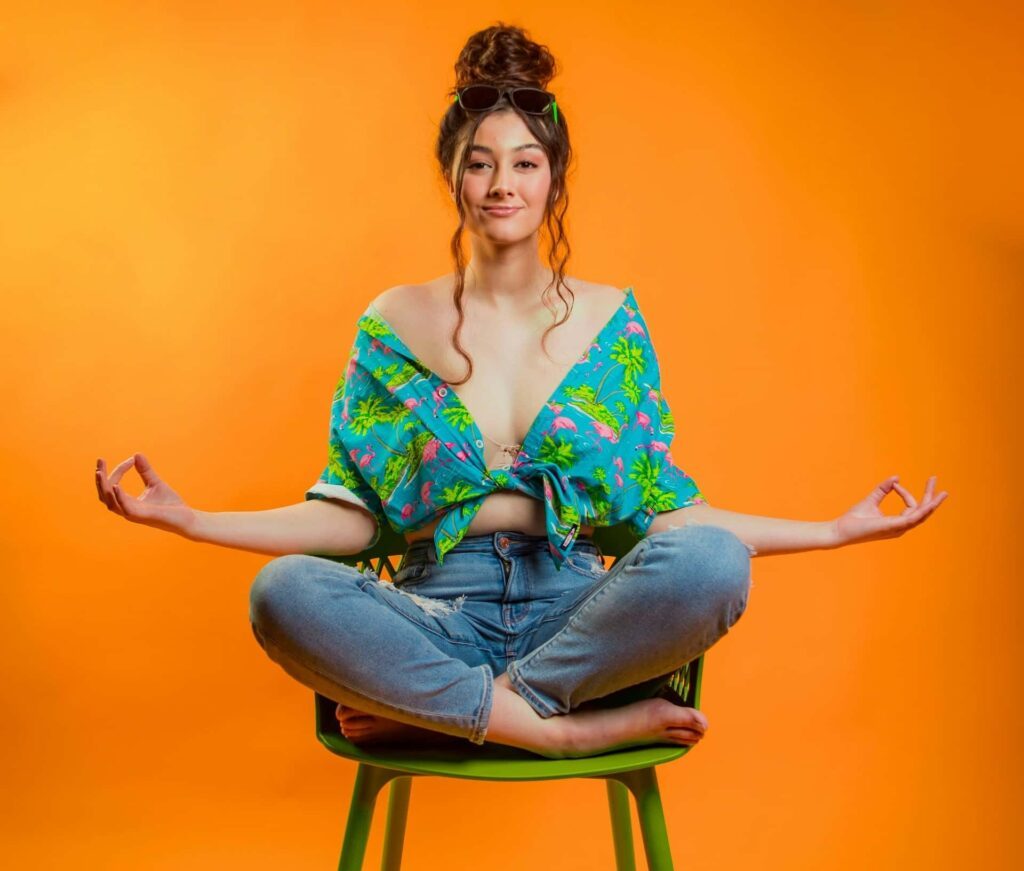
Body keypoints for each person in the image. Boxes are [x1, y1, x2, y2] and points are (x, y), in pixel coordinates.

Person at [94, 23, 948, 760]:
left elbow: (662, 515)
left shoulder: (614, 324)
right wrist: (190, 518)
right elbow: (352, 514)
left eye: (525, 162)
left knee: (713, 564)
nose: (503, 183)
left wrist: (836, 531)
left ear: (553, 179)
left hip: (582, 613)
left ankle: (463, 713)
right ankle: (560, 728)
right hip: (439, 614)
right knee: (282, 593)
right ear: (454, 178)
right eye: (481, 163)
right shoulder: (393, 323)